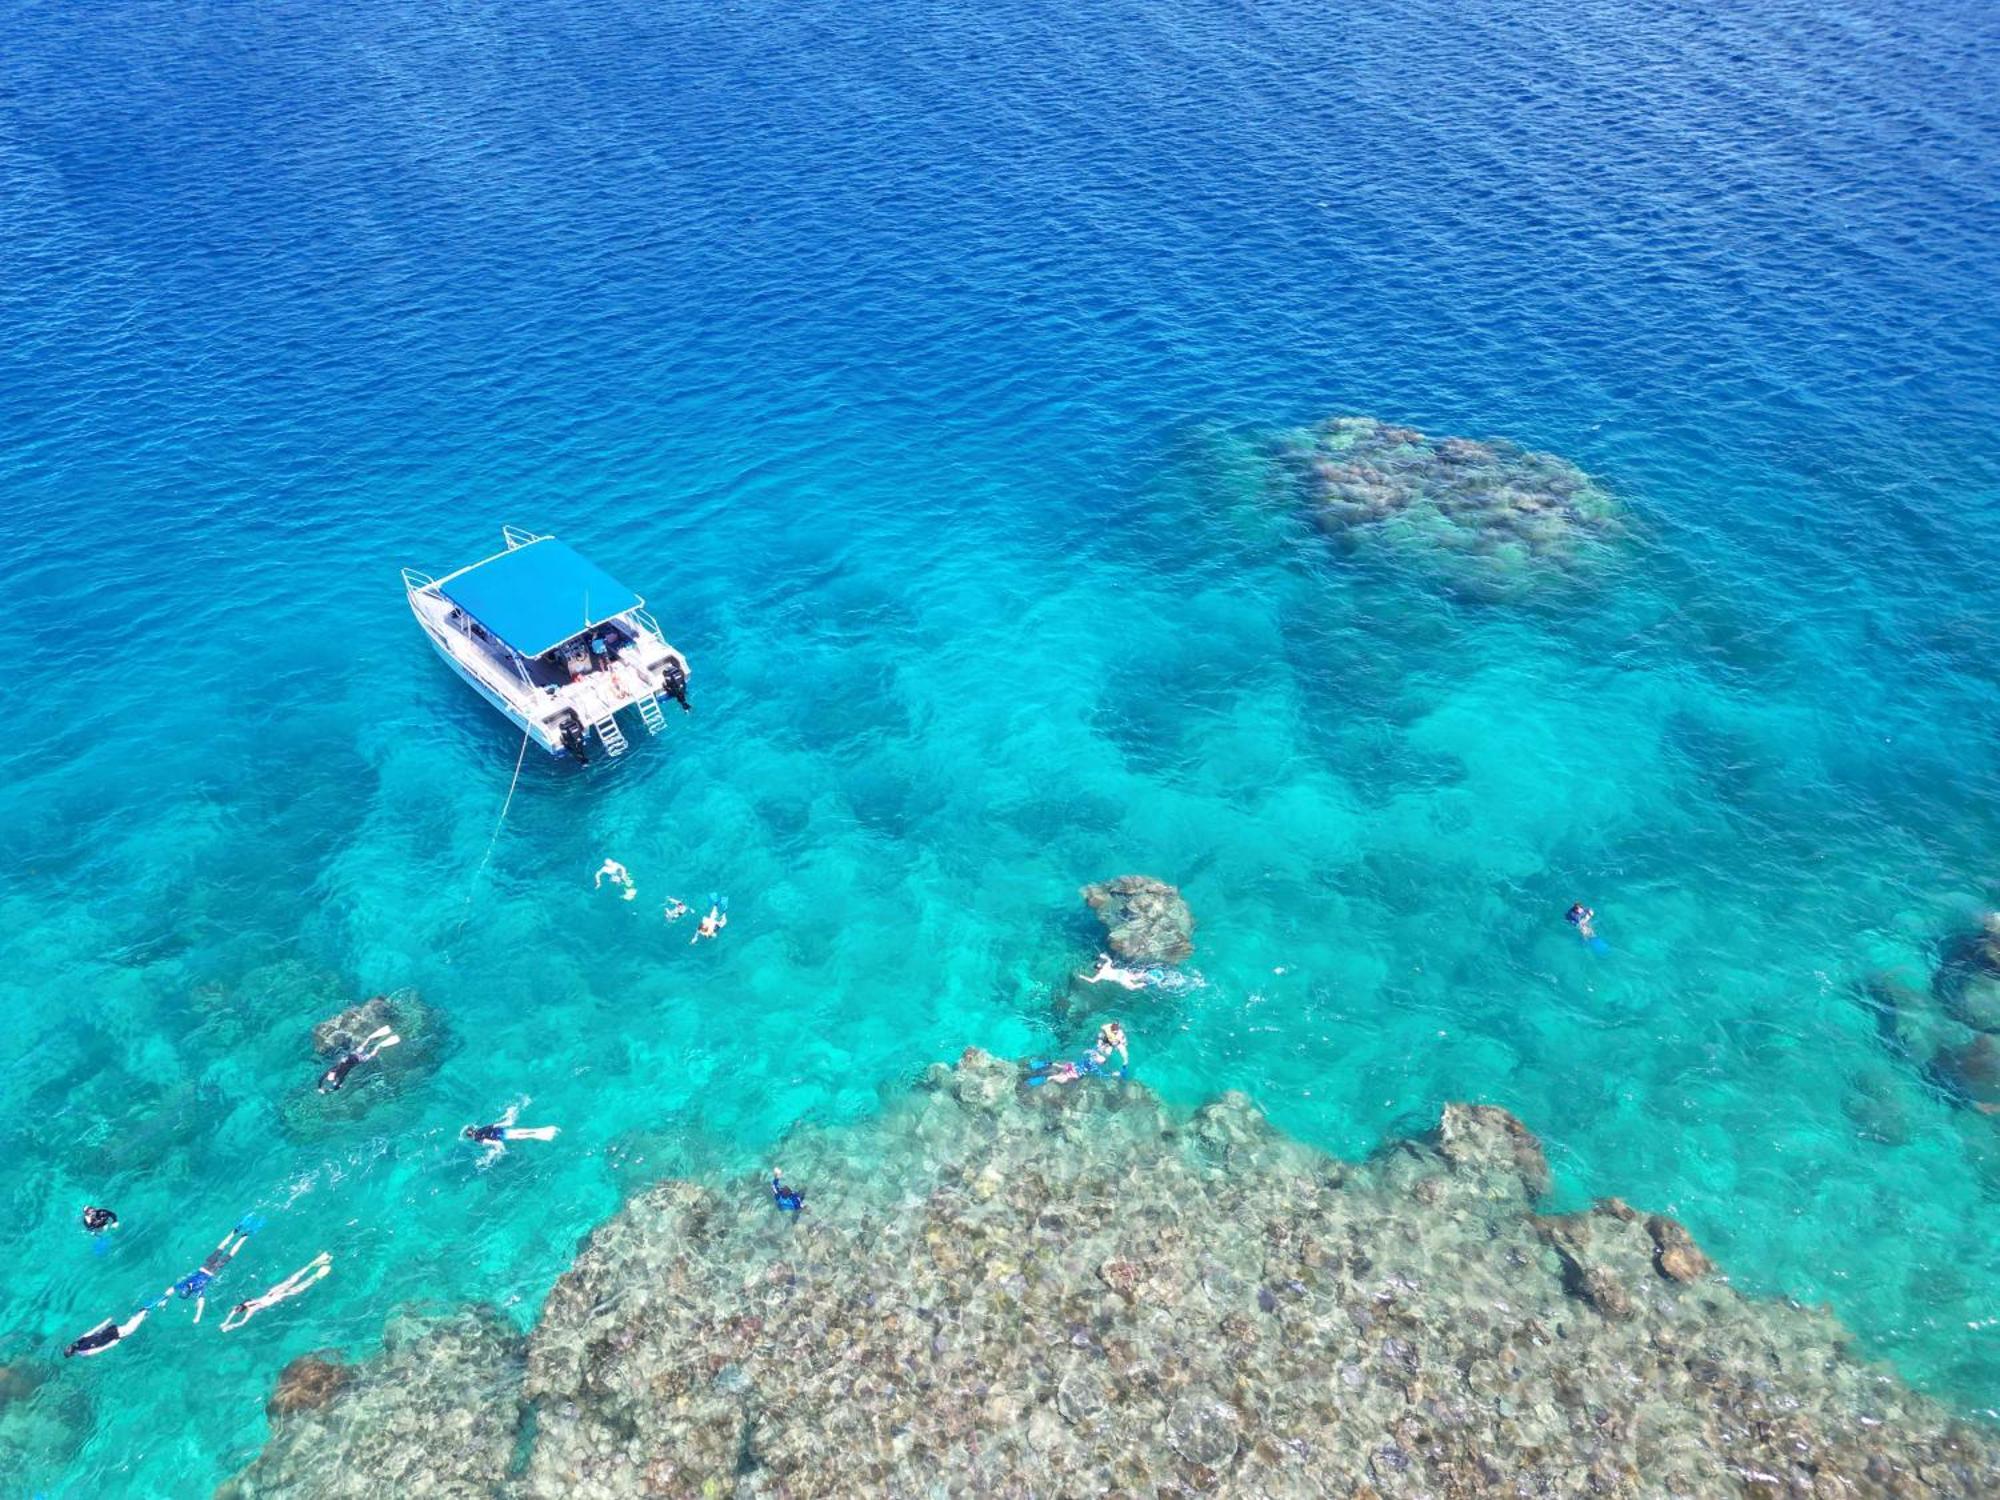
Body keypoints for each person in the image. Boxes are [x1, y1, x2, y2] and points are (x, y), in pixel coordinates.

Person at [169, 1220, 259, 1324]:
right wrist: (164, 1299)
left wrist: (197, 1317)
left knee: (231, 1254)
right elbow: (170, 1290)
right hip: (205, 1266)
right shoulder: (182, 1284)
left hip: (213, 1270)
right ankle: (234, 1232)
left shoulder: (198, 1291)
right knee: (220, 1248)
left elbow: (201, 1305)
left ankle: (244, 1236)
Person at [221, 1252, 331, 1332]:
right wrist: (226, 1322)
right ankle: (313, 1264)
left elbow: (242, 1322)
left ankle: (316, 1276)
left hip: (274, 1298)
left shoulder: (251, 1310)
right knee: (293, 1279)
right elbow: (234, 1311)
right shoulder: (246, 1303)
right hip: (272, 1293)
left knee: (298, 1289)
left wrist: (229, 1326)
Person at [317, 1025, 401, 1094]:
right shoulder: (337, 1074)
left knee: (370, 1046)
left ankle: (379, 1044)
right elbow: (334, 1085)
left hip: (357, 1057)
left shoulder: (337, 1074)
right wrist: (324, 1088)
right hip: (358, 1057)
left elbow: (326, 1081)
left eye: (329, 1075)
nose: (330, 1074)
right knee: (371, 1046)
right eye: (331, 1075)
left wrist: (322, 1088)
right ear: (333, 1075)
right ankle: (379, 1044)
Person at [464, 1102, 560, 1161]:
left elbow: (490, 1142)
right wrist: (507, 1122)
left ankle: (544, 1135)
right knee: (520, 1132)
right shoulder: (481, 1129)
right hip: (502, 1130)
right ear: (473, 1129)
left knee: (521, 1136)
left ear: (470, 1136)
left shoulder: (477, 1139)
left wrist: (500, 1149)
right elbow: (494, 1125)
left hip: (501, 1136)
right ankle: (545, 1131)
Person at [64, 1306, 150, 1359]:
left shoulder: (83, 1353)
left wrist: (112, 1344)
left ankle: (144, 1310)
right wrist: (105, 1322)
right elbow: (93, 1331)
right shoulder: (78, 1340)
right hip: (108, 1330)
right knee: (127, 1327)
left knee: (131, 1329)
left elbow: (100, 1349)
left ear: (73, 1354)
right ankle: (140, 1313)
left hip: (112, 1336)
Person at [1077, 952, 1147, 990]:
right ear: (1101, 966)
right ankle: (1144, 974)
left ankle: (1144, 984)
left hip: (1120, 978)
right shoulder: (1106, 966)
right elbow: (1110, 960)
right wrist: (1103, 956)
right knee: (1134, 977)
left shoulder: (1100, 975)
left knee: (1132, 987)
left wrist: (1082, 976)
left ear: (1096, 970)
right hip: (1122, 972)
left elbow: (1092, 981)